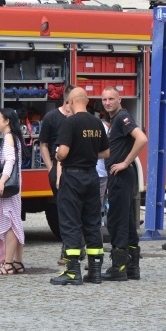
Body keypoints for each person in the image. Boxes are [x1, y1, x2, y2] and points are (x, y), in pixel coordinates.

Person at [51, 87, 110, 285]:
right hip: (92, 177)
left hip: (73, 177)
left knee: (70, 223)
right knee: (92, 223)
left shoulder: (70, 122)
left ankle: (72, 271)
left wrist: (57, 155)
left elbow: (63, 153)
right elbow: (106, 153)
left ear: (71, 101)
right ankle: (95, 271)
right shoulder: (97, 123)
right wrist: (88, 153)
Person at [103, 85, 147, 281]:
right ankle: (132, 267)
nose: (107, 103)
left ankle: (119, 267)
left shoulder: (122, 117)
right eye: (104, 100)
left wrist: (126, 162)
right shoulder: (116, 119)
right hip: (121, 177)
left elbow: (142, 139)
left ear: (119, 99)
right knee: (127, 221)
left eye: (111, 99)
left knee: (117, 221)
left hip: (121, 176)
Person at [39, 84, 75, 265]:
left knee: (74, 210)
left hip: (76, 169)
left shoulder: (80, 118)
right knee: (64, 210)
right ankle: (68, 248)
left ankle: (74, 248)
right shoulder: (52, 118)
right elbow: (43, 145)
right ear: (68, 100)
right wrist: (50, 169)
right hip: (58, 169)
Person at [0, 108, 26, 276]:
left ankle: (8, 264)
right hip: (14, 188)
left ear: (7, 121)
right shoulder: (14, 137)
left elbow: (10, 162)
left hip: (9, 188)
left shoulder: (9, 138)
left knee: (10, 225)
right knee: (15, 223)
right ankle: (17, 262)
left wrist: (1, 182)